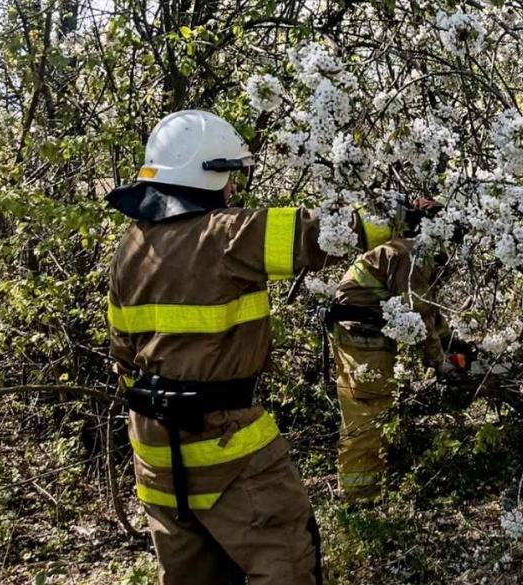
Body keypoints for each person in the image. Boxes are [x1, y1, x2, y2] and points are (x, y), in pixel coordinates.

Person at [105, 110, 344, 585]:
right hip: (229, 451)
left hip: (154, 455)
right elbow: (322, 235)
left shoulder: (129, 248)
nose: (233, 189)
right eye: (228, 176)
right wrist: (403, 218)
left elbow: (123, 354)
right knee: (287, 565)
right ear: (205, 173)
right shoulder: (227, 234)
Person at [326, 198, 454, 504]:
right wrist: (440, 362)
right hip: (362, 340)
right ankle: (360, 499)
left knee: (375, 409)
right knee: (366, 414)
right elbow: (418, 314)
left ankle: (372, 481)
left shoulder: (404, 251)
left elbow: (428, 309)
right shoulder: (407, 254)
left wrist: (452, 343)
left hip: (367, 336)